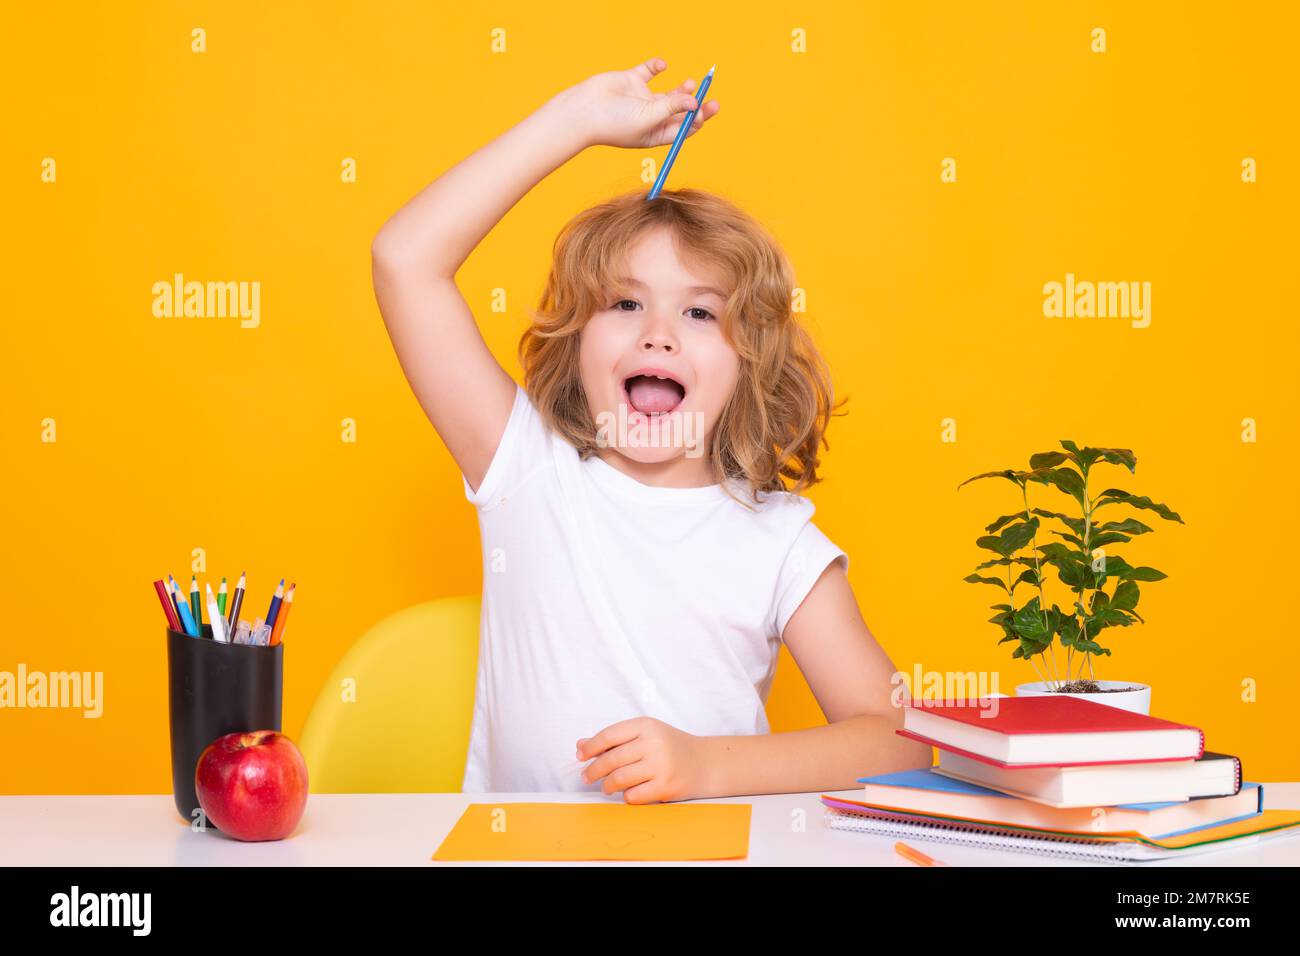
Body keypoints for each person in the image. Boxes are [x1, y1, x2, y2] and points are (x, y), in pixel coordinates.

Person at [371, 57, 931, 802]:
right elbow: (404, 260)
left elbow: (898, 741)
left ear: (748, 363)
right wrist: (577, 122)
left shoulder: (780, 540)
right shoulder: (526, 470)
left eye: (700, 313)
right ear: (575, 340)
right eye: (625, 304)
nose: (659, 334)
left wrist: (707, 768)